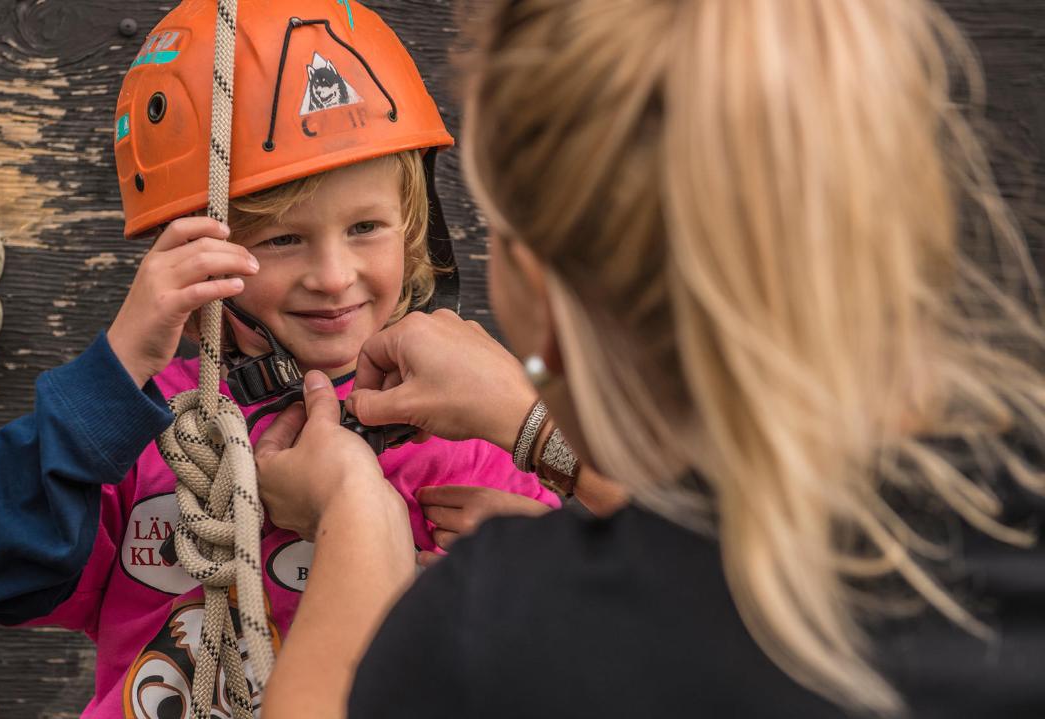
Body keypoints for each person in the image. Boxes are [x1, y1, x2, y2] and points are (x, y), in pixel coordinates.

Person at [253, 0, 1045, 716]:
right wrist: (531, 425)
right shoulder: (1015, 520)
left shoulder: (497, 637)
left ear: (543, 296)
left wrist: (358, 512)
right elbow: (722, 532)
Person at [0, 2, 563, 716]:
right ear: (193, 250)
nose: (333, 275)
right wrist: (115, 371)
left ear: (416, 232)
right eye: (282, 240)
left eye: (365, 227)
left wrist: (543, 569)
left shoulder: (465, 437)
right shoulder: (143, 433)